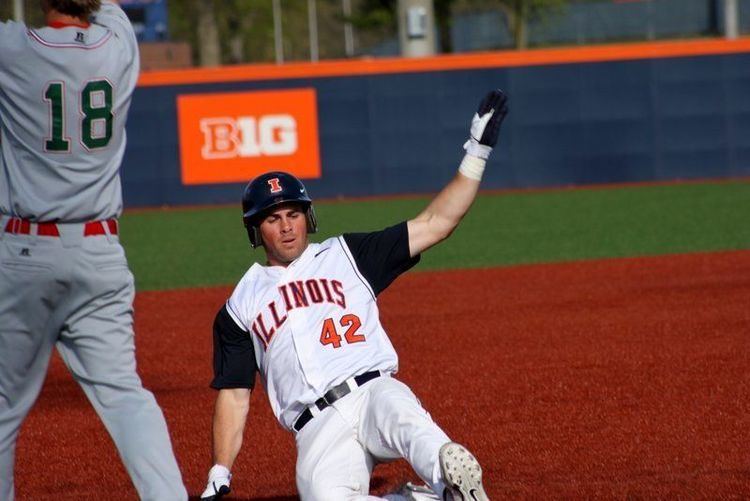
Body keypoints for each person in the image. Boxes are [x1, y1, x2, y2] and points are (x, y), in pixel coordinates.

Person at [200, 89, 508, 501]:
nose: (287, 226)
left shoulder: (347, 255)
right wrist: (220, 470)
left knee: (409, 424)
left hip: (372, 390)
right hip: (315, 427)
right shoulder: (239, 307)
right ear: (256, 231)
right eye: (273, 219)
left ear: (308, 217)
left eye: (293, 214)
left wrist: (477, 150)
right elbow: (235, 394)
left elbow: (436, 222)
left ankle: (450, 472)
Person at [0, 1, 187, 499]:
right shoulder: (121, 45)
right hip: (100, 252)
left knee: (2, 407)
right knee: (126, 397)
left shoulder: (13, 49)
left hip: (26, 251)